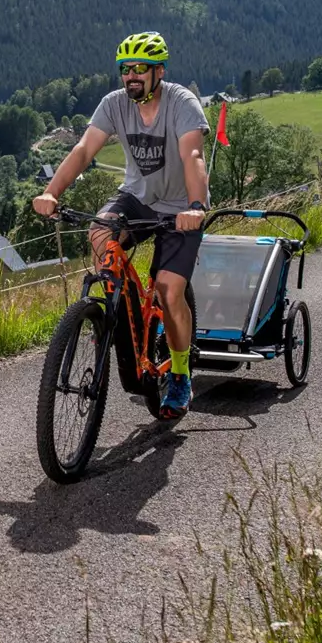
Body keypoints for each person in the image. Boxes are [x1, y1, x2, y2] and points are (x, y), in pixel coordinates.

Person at [31, 31, 209, 419]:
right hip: (137, 197)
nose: (131, 76)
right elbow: (83, 151)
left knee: (168, 289)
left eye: (139, 69)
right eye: (125, 69)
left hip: (180, 207)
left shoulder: (181, 103)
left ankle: (180, 373)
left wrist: (195, 205)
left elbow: (193, 154)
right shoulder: (114, 104)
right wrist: (51, 193)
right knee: (99, 231)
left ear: (158, 71)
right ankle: (119, 305)